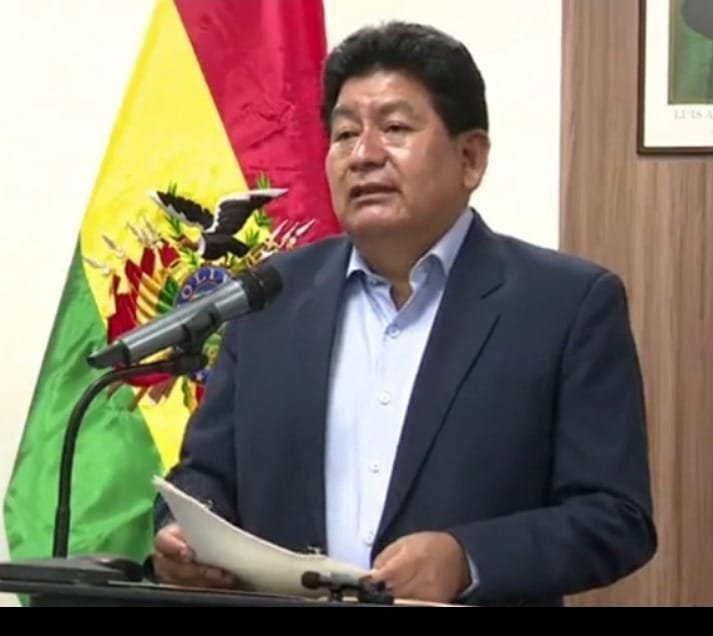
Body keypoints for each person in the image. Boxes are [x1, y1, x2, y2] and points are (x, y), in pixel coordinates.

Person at [150, 21, 657, 607]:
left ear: (470, 158)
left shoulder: (565, 305)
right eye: (344, 133)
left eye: (394, 128)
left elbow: (615, 517)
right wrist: (183, 534)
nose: (363, 156)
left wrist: (467, 559)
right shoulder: (271, 295)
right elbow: (205, 473)